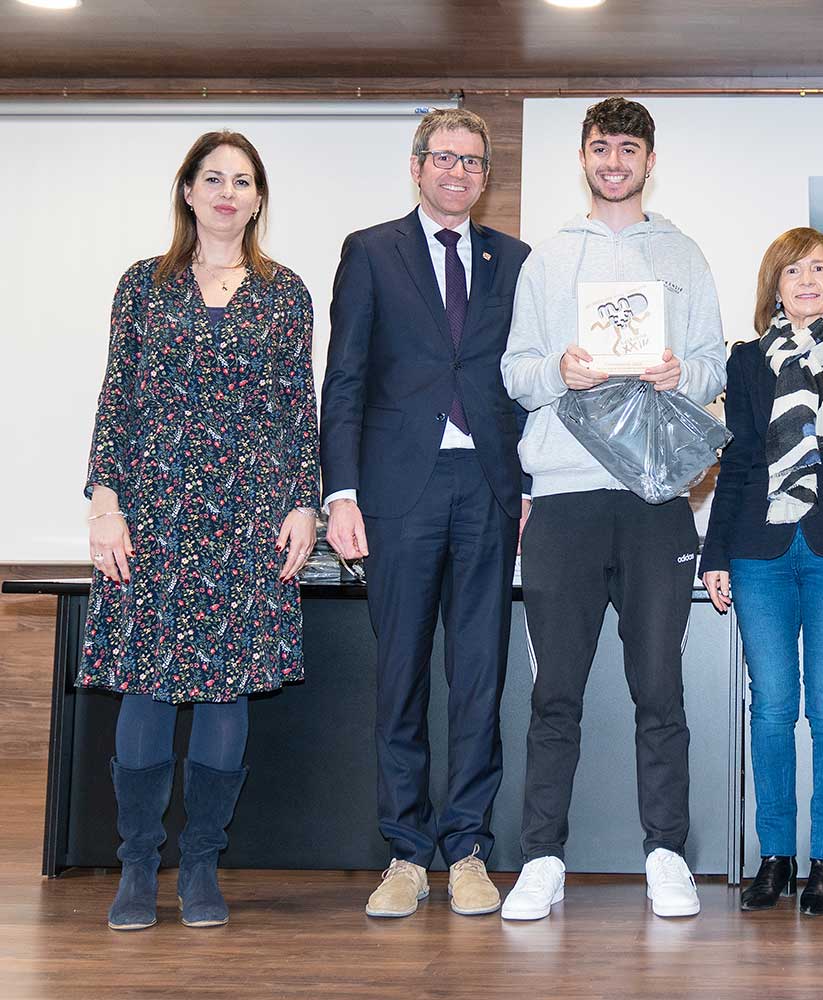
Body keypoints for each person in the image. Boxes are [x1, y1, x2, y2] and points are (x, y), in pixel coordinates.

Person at [80, 131, 319, 931]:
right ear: (187, 191)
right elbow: (117, 400)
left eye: (242, 181)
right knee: (146, 686)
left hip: (247, 516)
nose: (226, 192)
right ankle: (137, 866)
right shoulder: (142, 285)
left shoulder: (285, 294)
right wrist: (105, 504)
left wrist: (303, 503)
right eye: (212, 178)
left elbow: (297, 408)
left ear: (258, 199)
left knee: (226, 690)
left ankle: (202, 866)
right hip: (151, 515)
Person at [499, 97, 726, 921]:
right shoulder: (549, 257)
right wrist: (559, 370)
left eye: (629, 149)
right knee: (554, 693)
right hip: (563, 498)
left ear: (649, 161)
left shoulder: (683, 254)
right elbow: (516, 371)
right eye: (602, 147)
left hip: (654, 498)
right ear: (584, 158)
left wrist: (680, 374)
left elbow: (713, 364)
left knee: (659, 689)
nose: (615, 161)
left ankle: (667, 854)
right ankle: (541, 860)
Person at [320, 108, 531, 919]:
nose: (458, 172)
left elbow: (522, 382)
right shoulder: (372, 251)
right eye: (444, 158)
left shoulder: (514, 260)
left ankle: (468, 850)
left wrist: (528, 487)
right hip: (396, 492)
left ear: (486, 176)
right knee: (401, 675)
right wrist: (341, 493)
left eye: (472, 162)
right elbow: (345, 379)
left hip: (488, 489)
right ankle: (406, 854)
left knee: (479, 678)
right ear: (417, 167)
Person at [700, 227, 823, 915]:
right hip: (759, 551)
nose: (807, 281)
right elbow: (737, 464)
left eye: (819, 269)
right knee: (773, 705)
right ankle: (775, 857)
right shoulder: (748, 360)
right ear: (775, 287)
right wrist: (715, 554)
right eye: (793, 271)